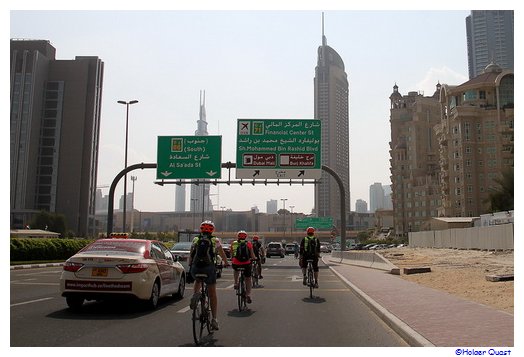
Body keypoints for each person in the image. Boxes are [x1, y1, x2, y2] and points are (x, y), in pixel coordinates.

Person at [188, 220, 230, 330]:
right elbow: (222, 254)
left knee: (197, 280)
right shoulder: (215, 240)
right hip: (209, 268)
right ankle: (214, 319)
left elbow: (191, 254)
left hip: (196, 268)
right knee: (212, 294)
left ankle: (195, 295)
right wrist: (226, 262)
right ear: (213, 230)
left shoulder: (196, 239)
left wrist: (190, 265)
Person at [231, 230, 257, 303]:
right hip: (246, 263)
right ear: (245, 237)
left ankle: (236, 283)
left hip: (236, 263)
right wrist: (254, 258)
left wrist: (232, 259)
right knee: (248, 279)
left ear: (238, 236)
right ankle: (248, 294)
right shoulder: (248, 244)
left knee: (236, 270)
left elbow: (232, 254)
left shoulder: (234, 243)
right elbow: (252, 254)